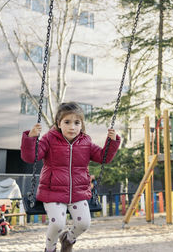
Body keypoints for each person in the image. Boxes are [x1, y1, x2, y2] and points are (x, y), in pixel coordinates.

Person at [21, 102, 121, 252]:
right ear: (59, 123)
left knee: (84, 224)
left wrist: (112, 142)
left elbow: (103, 157)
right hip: (52, 192)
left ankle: (68, 239)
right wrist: (31, 138)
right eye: (67, 122)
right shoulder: (49, 140)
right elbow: (31, 157)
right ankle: (50, 249)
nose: (72, 127)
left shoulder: (86, 142)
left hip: (78, 193)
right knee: (58, 224)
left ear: (81, 124)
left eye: (76, 122)